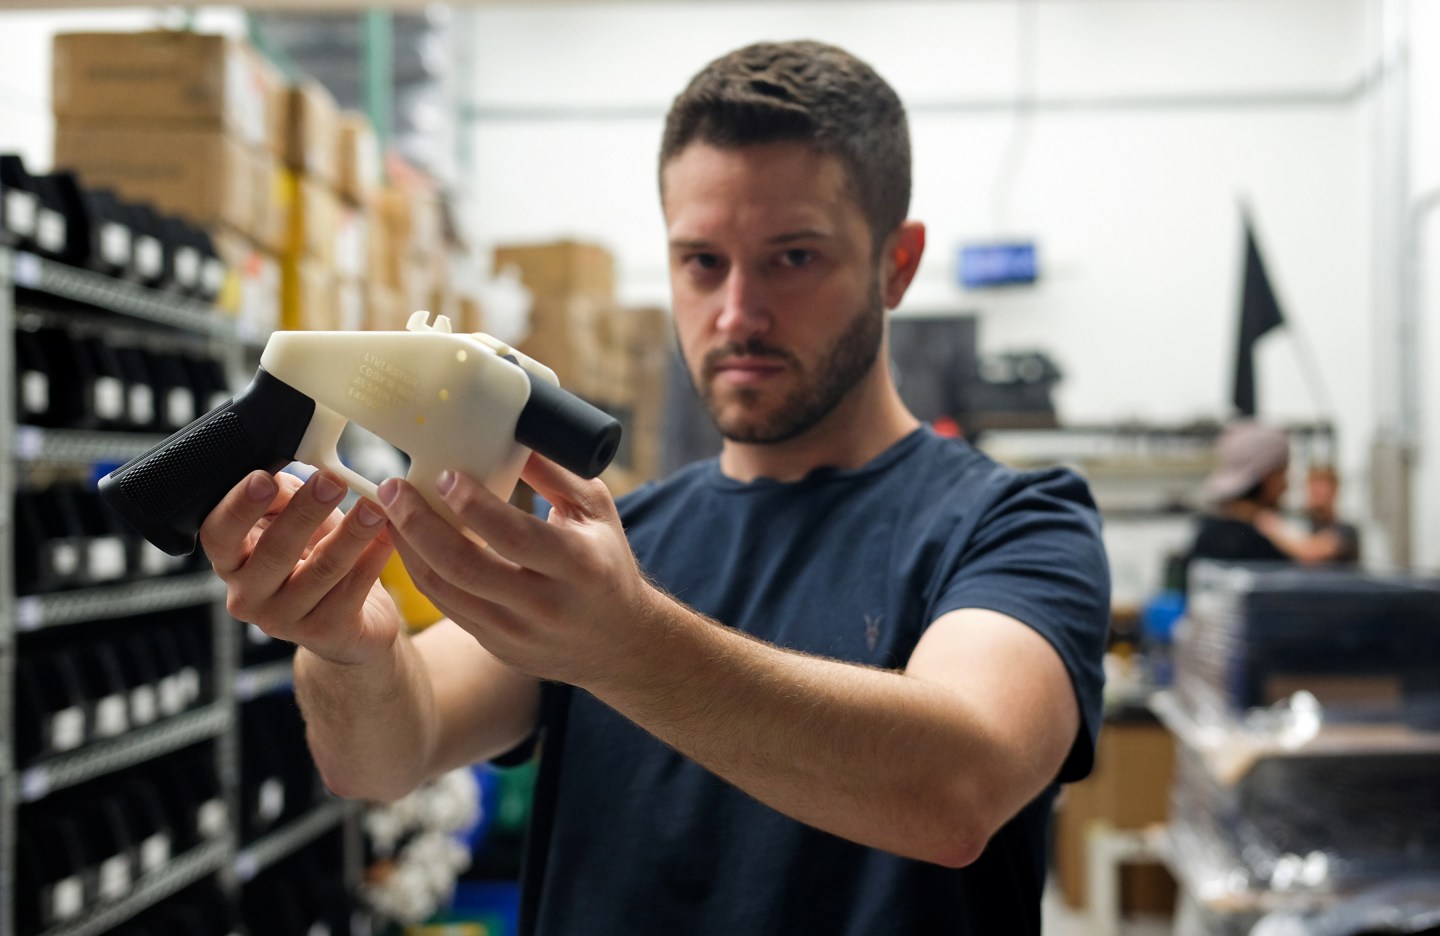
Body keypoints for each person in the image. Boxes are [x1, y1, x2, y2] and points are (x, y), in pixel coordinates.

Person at [200, 40, 1110, 935]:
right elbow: (381, 757)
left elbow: (953, 793)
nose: (737, 312)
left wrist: (625, 644)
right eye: (701, 261)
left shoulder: (1016, 526)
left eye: (794, 257)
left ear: (897, 264)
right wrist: (348, 649)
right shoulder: (620, 547)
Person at [1187, 421, 1347, 572]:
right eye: (1283, 473)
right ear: (1268, 477)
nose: (1286, 485)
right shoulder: (1262, 545)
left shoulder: (1206, 534)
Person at [1304, 464, 1361, 563]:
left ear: (1334, 490)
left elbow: (1312, 551)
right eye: (1313, 486)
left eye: (1322, 487)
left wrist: (1268, 521)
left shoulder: (1347, 531)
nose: (1317, 491)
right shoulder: (1304, 526)